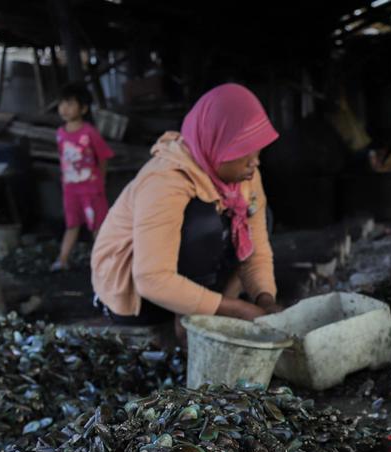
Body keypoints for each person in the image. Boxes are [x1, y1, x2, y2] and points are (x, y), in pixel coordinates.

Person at [91, 84, 281, 328]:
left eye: (258, 153)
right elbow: (150, 278)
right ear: (217, 145)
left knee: (260, 217)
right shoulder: (165, 179)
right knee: (203, 220)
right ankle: (190, 318)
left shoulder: (245, 178)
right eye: (243, 152)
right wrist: (237, 309)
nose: (253, 163)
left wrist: (264, 300)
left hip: (195, 283)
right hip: (139, 297)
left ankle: (208, 307)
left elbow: (258, 250)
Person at [53, 83, 114, 271]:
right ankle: (62, 260)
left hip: (92, 188)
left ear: (83, 108)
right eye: (62, 103)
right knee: (71, 224)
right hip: (70, 189)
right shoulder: (60, 133)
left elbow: (104, 156)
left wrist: (100, 181)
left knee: (98, 227)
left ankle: (104, 264)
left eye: (70, 104)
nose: (64, 108)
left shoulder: (90, 132)